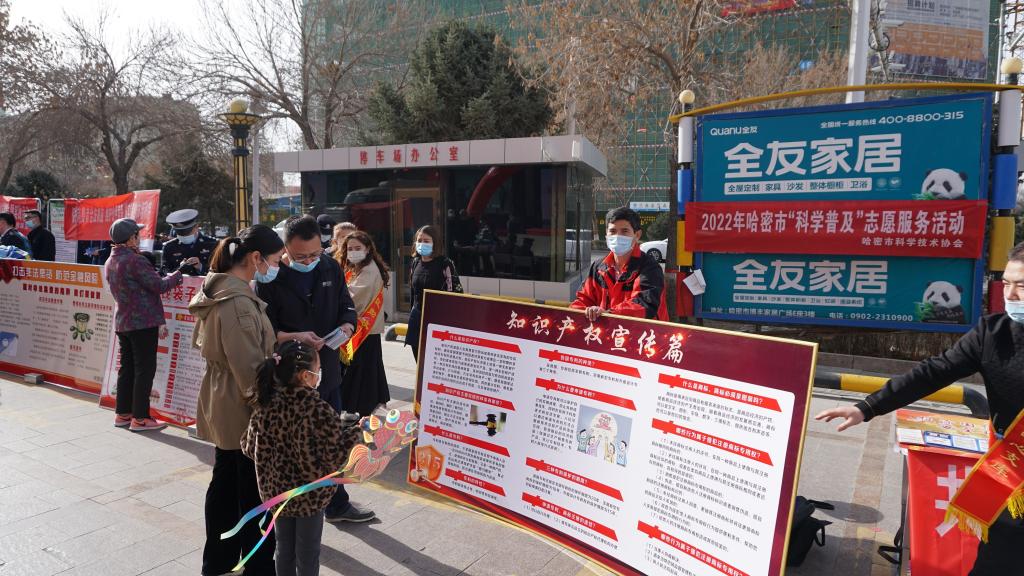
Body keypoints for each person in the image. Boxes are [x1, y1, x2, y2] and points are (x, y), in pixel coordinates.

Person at [816, 241, 1024, 575]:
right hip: (1013, 478)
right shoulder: (993, 333)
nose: (1011, 295)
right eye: (1007, 284)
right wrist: (868, 407)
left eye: (1021, 285)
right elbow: (933, 372)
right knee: (998, 561)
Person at [255, 214, 375, 524]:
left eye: (314, 253)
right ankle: (291, 508)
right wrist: (292, 337)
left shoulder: (330, 267)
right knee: (294, 447)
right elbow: (264, 328)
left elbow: (345, 304)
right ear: (285, 249)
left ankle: (336, 504)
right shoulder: (270, 278)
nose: (309, 261)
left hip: (326, 370)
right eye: (300, 257)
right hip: (291, 377)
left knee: (331, 440)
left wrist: (347, 325)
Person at [189, 224, 285, 576]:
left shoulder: (218, 288)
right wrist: (271, 408)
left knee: (227, 481)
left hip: (223, 396)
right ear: (255, 258)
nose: (276, 267)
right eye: (275, 260)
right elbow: (249, 370)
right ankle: (256, 566)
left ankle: (220, 561)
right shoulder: (238, 302)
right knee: (252, 493)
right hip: (242, 403)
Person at [242, 340, 362, 576]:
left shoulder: (265, 404)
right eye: (318, 369)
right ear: (305, 376)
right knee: (307, 555)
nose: (320, 374)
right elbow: (335, 457)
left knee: (283, 550)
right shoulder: (318, 410)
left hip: (276, 495)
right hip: (310, 498)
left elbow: (247, 446)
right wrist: (357, 433)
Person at [105, 218, 197, 432]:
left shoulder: (111, 259)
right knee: (144, 370)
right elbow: (159, 286)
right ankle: (140, 418)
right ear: (131, 238)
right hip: (143, 322)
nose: (140, 237)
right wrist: (180, 272)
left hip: (123, 321)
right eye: (137, 234)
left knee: (127, 369)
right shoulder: (135, 260)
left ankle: (123, 413)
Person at [570, 206, 668, 321]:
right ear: (606, 234)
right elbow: (583, 299)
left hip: (641, 331)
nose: (617, 236)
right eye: (612, 231)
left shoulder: (649, 268)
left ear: (637, 235)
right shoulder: (598, 267)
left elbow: (643, 305)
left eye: (624, 231)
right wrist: (578, 314)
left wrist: (608, 314)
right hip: (606, 329)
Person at [335, 230, 390, 417]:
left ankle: (360, 408)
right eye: (350, 249)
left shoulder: (369, 270)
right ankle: (358, 407)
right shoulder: (356, 267)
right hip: (364, 328)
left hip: (366, 330)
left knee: (361, 371)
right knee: (362, 370)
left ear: (367, 249)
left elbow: (353, 296)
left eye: (357, 248)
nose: (353, 252)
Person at [406, 225, 462, 360]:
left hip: (437, 319)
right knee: (418, 359)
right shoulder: (415, 262)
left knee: (433, 361)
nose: (422, 244)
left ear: (435, 242)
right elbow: (413, 292)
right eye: (419, 240)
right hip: (416, 317)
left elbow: (456, 293)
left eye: (426, 241)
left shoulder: (445, 264)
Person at [161, 208, 218, 276]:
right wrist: (179, 269)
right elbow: (164, 273)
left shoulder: (212, 244)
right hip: (179, 282)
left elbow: (220, 271)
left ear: (196, 227)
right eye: (179, 233)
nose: (183, 235)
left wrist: (200, 267)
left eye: (186, 232)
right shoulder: (169, 247)